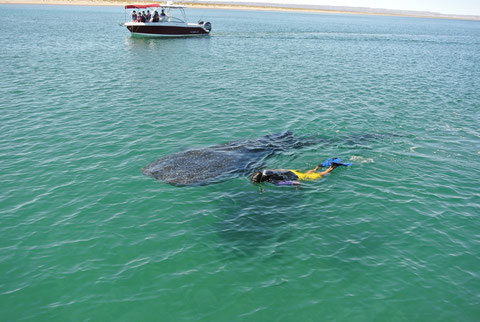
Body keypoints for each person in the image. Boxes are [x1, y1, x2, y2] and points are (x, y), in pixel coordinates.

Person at [250, 163, 340, 185]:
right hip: (289, 171)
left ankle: (331, 168)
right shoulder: (266, 172)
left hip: (294, 176)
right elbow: (275, 169)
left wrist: (297, 185)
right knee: (305, 174)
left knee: (319, 175)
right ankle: (316, 168)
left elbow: (291, 183)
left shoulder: (274, 182)